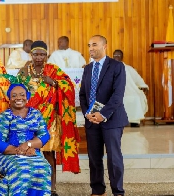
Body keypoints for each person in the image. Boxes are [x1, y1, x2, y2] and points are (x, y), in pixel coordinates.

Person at [17, 40, 80, 196]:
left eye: (42, 54)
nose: (39, 57)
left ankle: (52, 188)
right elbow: (16, 92)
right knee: (27, 153)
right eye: (36, 54)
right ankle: (29, 186)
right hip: (28, 120)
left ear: (47, 55)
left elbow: (69, 86)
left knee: (49, 154)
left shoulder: (53, 70)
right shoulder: (24, 71)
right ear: (31, 54)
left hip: (49, 121)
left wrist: (54, 82)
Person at [79, 35, 128, 196]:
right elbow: (83, 95)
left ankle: (118, 192)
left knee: (114, 158)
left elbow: (117, 95)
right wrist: (88, 113)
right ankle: (98, 190)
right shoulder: (87, 68)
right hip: (91, 120)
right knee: (94, 158)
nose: (91, 48)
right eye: (89, 45)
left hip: (112, 119)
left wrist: (102, 114)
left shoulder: (116, 66)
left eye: (94, 44)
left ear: (105, 46)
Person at [0, 83, 51, 195]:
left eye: (22, 95)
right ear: (9, 99)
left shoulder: (36, 114)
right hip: (8, 156)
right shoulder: (4, 117)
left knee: (44, 167)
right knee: (21, 169)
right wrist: (20, 151)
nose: (18, 98)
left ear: (27, 97)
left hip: (32, 153)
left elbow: (44, 136)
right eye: (14, 95)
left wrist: (28, 144)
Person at [113, 49, 149, 127]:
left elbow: (138, 79)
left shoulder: (129, 69)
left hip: (130, 91)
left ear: (122, 57)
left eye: (118, 55)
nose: (116, 57)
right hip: (114, 92)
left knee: (136, 97)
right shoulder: (109, 69)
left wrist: (143, 86)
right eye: (115, 55)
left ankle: (134, 121)